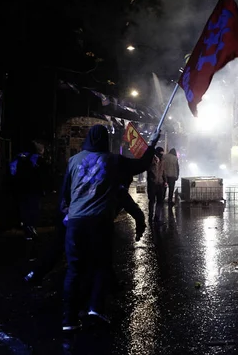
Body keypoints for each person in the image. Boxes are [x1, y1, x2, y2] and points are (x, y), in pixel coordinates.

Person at [61, 125, 159, 331]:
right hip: (99, 221)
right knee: (101, 265)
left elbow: (65, 194)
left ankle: (68, 320)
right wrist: (152, 144)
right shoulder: (113, 160)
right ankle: (95, 308)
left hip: (76, 222)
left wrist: (68, 213)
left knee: (74, 269)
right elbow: (141, 165)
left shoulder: (73, 161)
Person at [9, 141, 49, 240]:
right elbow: (44, 175)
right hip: (34, 188)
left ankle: (26, 227)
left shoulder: (17, 158)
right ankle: (32, 228)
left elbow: (12, 173)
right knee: (34, 209)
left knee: (24, 208)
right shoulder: (37, 158)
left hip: (20, 188)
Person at [147, 147, 167, 221]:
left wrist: (165, 181)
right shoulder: (151, 160)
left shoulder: (163, 161)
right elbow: (148, 170)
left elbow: (163, 171)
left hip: (160, 184)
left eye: (162, 154)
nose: (161, 155)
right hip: (152, 184)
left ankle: (157, 217)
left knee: (159, 201)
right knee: (152, 201)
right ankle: (150, 216)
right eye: (160, 153)